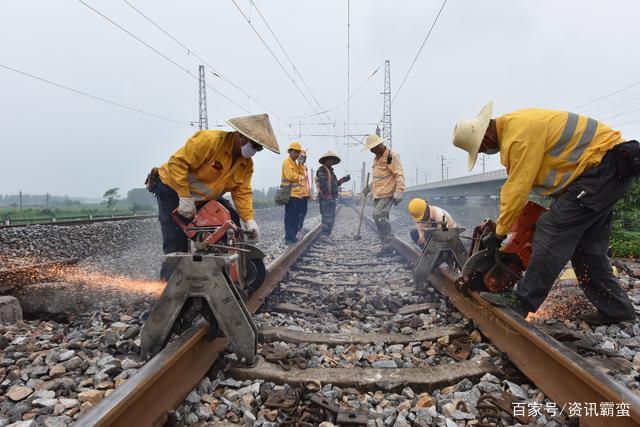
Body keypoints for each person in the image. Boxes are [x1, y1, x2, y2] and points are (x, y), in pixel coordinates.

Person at [452, 102, 639, 325]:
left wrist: (499, 233)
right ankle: (618, 312)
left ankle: (523, 300)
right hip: (608, 171)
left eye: (481, 148)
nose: (484, 152)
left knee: (551, 227)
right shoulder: (516, 125)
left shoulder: (518, 137)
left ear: (486, 136)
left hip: (605, 168)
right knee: (587, 251)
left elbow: (516, 188)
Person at [154, 113, 280, 280]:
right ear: (240, 135)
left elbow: (242, 192)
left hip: (201, 197)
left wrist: (250, 220)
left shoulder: (245, 164)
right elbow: (177, 163)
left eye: (259, 148)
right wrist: (184, 196)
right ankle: (167, 286)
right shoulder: (209, 141)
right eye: (254, 145)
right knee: (176, 241)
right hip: (172, 188)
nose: (255, 151)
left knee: (232, 221)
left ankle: (223, 272)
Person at [362, 134, 406, 254]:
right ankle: (386, 246)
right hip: (378, 194)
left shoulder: (391, 156)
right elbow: (378, 178)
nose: (370, 150)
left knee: (378, 215)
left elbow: (399, 174)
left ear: (379, 145)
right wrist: (369, 188)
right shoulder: (376, 158)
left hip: (388, 193)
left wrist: (399, 191)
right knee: (381, 217)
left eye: (372, 147)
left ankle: (389, 241)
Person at [316, 151, 350, 235]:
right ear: (325, 161)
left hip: (331, 197)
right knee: (326, 216)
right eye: (329, 160)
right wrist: (327, 195)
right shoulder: (322, 169)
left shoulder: (330, 171)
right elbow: (322, 183)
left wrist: (343, 180)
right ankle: (325, 234)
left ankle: (327, 234)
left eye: (332, 160)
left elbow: (334, 184)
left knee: (331, 216)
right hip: (325, 198)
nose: (331, 161)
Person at [281, 141, 303, 243]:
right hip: (289, 194)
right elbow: (290, 176)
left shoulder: (295, 164)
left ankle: (293, 235)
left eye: (298, 152)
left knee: (296, 216)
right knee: (290, 216)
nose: (297, 154)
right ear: (290, 151)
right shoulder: (287, 162)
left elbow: (302, 174)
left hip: (297, 195)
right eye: (295, 152)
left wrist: (301, 164)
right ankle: (289, 237)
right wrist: (300, 177)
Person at [297, 149, 311, 232]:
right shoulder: (297, 166)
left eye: (305, 157)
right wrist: (299, 163)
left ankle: (300, 225)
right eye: (302, 157)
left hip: (305, 193)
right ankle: (298, 226)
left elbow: (306, 181)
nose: (303, 159)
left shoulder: (305, 167)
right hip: (299, 193)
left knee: (304, 211)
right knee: (299, 211)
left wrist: (309, 192)